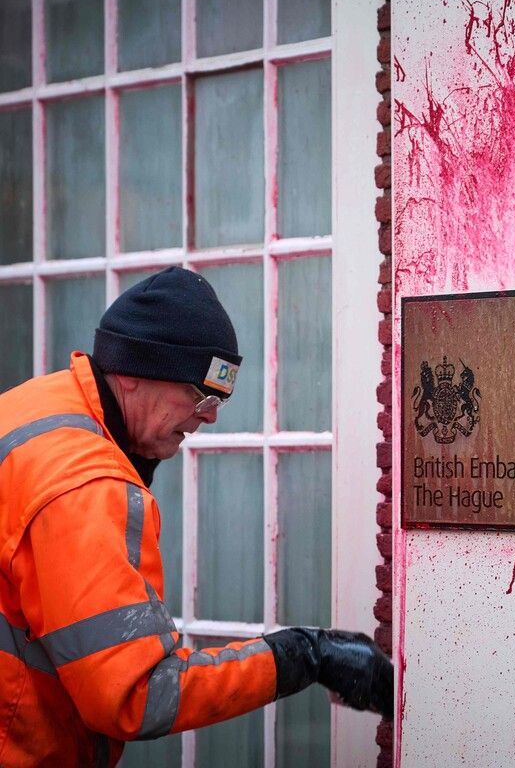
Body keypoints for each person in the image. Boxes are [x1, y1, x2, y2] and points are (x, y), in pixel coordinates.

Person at [0, 266, 392, 766]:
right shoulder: (89, 485)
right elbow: (134, 697)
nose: (210, 416)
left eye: (220, 399)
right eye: (201, 395)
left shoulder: (34, 409)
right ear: (132, 373)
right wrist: (303, 655)